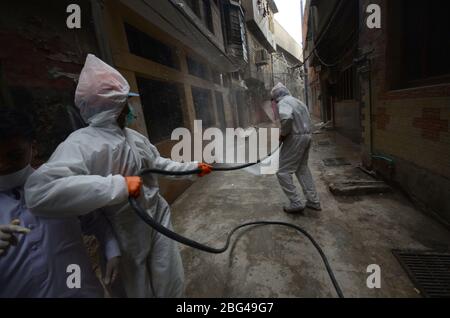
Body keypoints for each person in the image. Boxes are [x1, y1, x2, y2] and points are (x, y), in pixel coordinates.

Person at [25, 54, 213, 298]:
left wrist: (192, 168)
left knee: (170, 281)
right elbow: (40, 193)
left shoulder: (133, 137)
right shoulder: (81, 144)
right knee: (136, 291)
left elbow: (156, 163)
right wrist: (120, 185)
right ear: (112, 106)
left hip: (157, 216)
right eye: (127, 103)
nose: (131, 108)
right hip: (124, 232)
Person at [0, 107, 121, 298]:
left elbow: (93, 219)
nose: (3, 165)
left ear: (34, 148)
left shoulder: (61, 185)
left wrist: (111, 247)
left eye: (14, 156)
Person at [271, 83, 321, 214]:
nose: (275, 102)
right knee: (302, 169)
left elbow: (286, 119)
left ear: (276, 97)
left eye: (274, 99)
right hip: (306, 136)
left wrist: (283, 134)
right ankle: (313, 201)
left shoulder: (283, 103)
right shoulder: (298, 102)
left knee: (282, 171)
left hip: (295, 138)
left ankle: (296, 202)